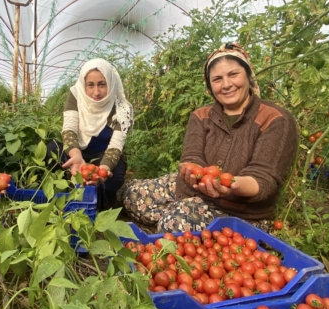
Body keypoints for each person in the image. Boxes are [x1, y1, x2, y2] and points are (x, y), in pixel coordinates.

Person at [121, 43, 298, 232]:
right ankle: (183, 211)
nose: (226, 85)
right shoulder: (201, 115)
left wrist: (231, 185)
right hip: (194, 190)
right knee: (131, 195)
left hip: (241, 212)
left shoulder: (275, 119)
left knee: (176, 222)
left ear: (248, 75)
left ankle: (181, 215)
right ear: (209, 85)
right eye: (217, 79)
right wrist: (191, 170)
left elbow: (263, 180)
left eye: (233, 74)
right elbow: (192, 155)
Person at [46, 58, 133, 211]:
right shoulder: (76, 95)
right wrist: (75, 155)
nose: (96, 92)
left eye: (102, 84)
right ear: (84, 85)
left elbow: (116, 146)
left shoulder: (121, 108)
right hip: (77, 152)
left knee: (115, 176)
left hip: (104, 155)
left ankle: (101, 203)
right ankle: (64, 193)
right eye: (90, 85)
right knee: (52, 149)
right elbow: (69, 129)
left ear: (111, 84)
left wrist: (103, 170)